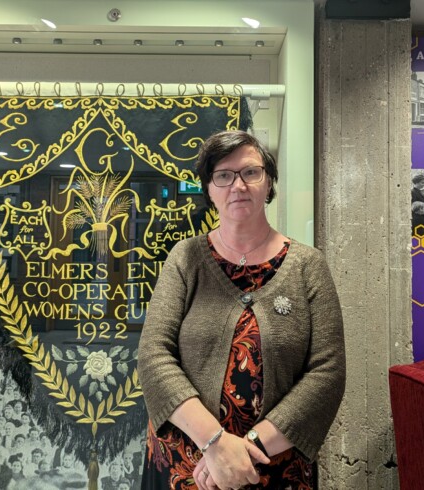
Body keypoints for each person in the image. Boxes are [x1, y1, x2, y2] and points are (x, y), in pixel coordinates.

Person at [138, 130, 346, 490]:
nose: (238, 185)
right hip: (186, 463)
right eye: (223, 175)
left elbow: (327, 373)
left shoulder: (307, 266)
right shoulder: (185, 259)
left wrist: (247, 449)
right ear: (209, 189)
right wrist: (215, 443)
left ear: (269, 183)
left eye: (251, 172)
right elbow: (153, 356)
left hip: (272, 465)